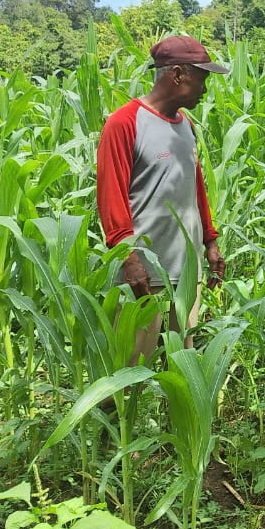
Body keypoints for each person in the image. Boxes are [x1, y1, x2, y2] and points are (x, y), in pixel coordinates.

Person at [97, 35, 229, 362]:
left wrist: (210, 242)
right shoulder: (125, 122)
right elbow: (110, 197)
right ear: (178, 74)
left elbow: (194, 187)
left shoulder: (186, 125)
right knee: (128, 369)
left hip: (186, 272)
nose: (205, 88)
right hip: (145, 273)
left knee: (182, 366)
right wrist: (130, 261)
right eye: (202, 77)